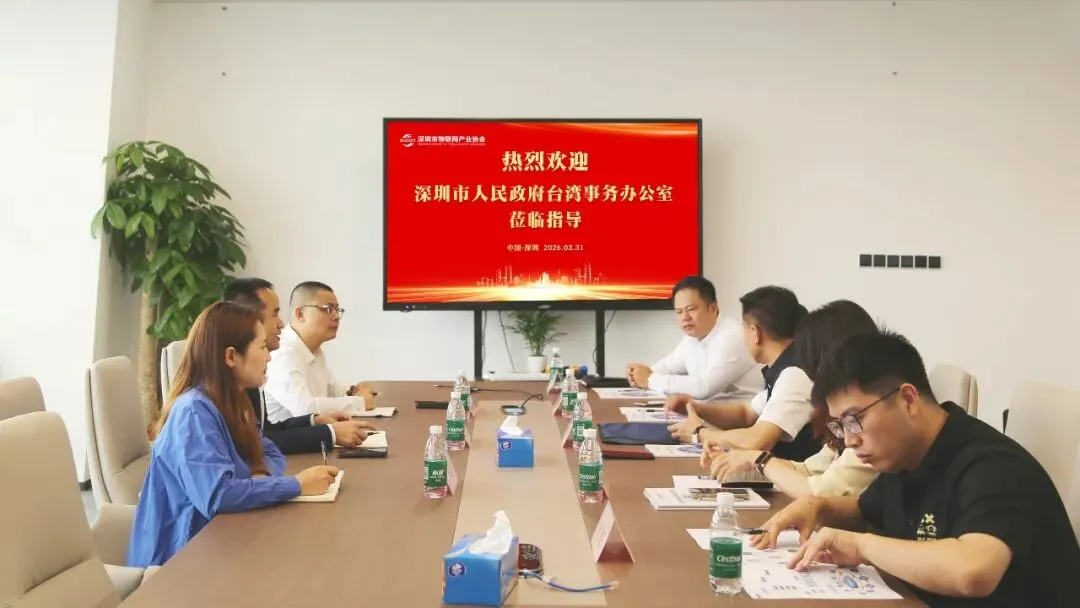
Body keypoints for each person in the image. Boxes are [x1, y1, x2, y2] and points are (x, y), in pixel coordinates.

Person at [753, 331, 1080, 607]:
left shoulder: (994, 466)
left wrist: (861, 546)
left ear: (908, 399)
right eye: (840, 426)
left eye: (854, 420)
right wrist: (817, 507)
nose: (850, 440)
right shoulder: (906, 456)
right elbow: (865, 511)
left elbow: (973, 571)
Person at [127, 302, 340, 567]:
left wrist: (258, 478)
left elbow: (270, 451)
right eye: (262, 348)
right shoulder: (193, 412)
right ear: (231, 356)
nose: (269, 357)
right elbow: (218, 497)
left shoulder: (234, 401)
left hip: (221, 537)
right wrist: (296, 485)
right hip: (179, 558)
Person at [702, 300, 879, 498]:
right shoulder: (843, 421)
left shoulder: (872, 427)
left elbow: (819, 491)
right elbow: (809, 470)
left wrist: (700, 433)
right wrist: (746, 461)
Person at [666, 286, 820, 462]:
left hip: (792, 475)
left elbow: (757, 441)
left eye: (743, 328)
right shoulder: (785, 366)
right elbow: (746, 413)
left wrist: (699, 433)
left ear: (755, 333)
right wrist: (697, 408)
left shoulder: (795, 375)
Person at [223, 277, 375, 453]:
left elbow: (264, 432)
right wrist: (332, 431)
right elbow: (263, 439)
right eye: (327, 309)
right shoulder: (279, 355)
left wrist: (314, 421)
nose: (281, 323)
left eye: (337, 310)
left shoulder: (249, 373)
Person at [626, 276, 762, 400]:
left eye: (691, 309)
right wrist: (639, 374)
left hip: (741, 416)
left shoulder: (732, 336)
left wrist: (650, 379)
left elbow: (704, 387)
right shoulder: (693, 337)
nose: (685, 317)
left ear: (713, 308)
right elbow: (669, 365)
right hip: (708, 413)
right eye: (679, 312)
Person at [264, 281, 374, 423]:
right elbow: (306, 409)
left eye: (337, 310)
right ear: (300, 314)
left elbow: (330, 389)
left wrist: (353, 390)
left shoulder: (314, 349)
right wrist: (359, 402)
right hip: (290, 436)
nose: (336, 316)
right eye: (328, 309)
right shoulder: (282, 353)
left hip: (314, 432)